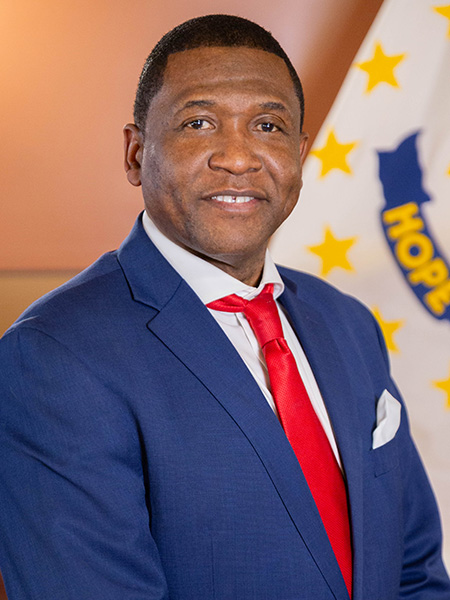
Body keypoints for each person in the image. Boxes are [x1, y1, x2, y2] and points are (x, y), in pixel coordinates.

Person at [0, 14, 449, 600]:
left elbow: (415, 572)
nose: (238, 158)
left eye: (267, 125)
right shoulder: (52, 357)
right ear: (136, 153)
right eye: (199, 123)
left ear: (299, 155)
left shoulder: (348, 324)